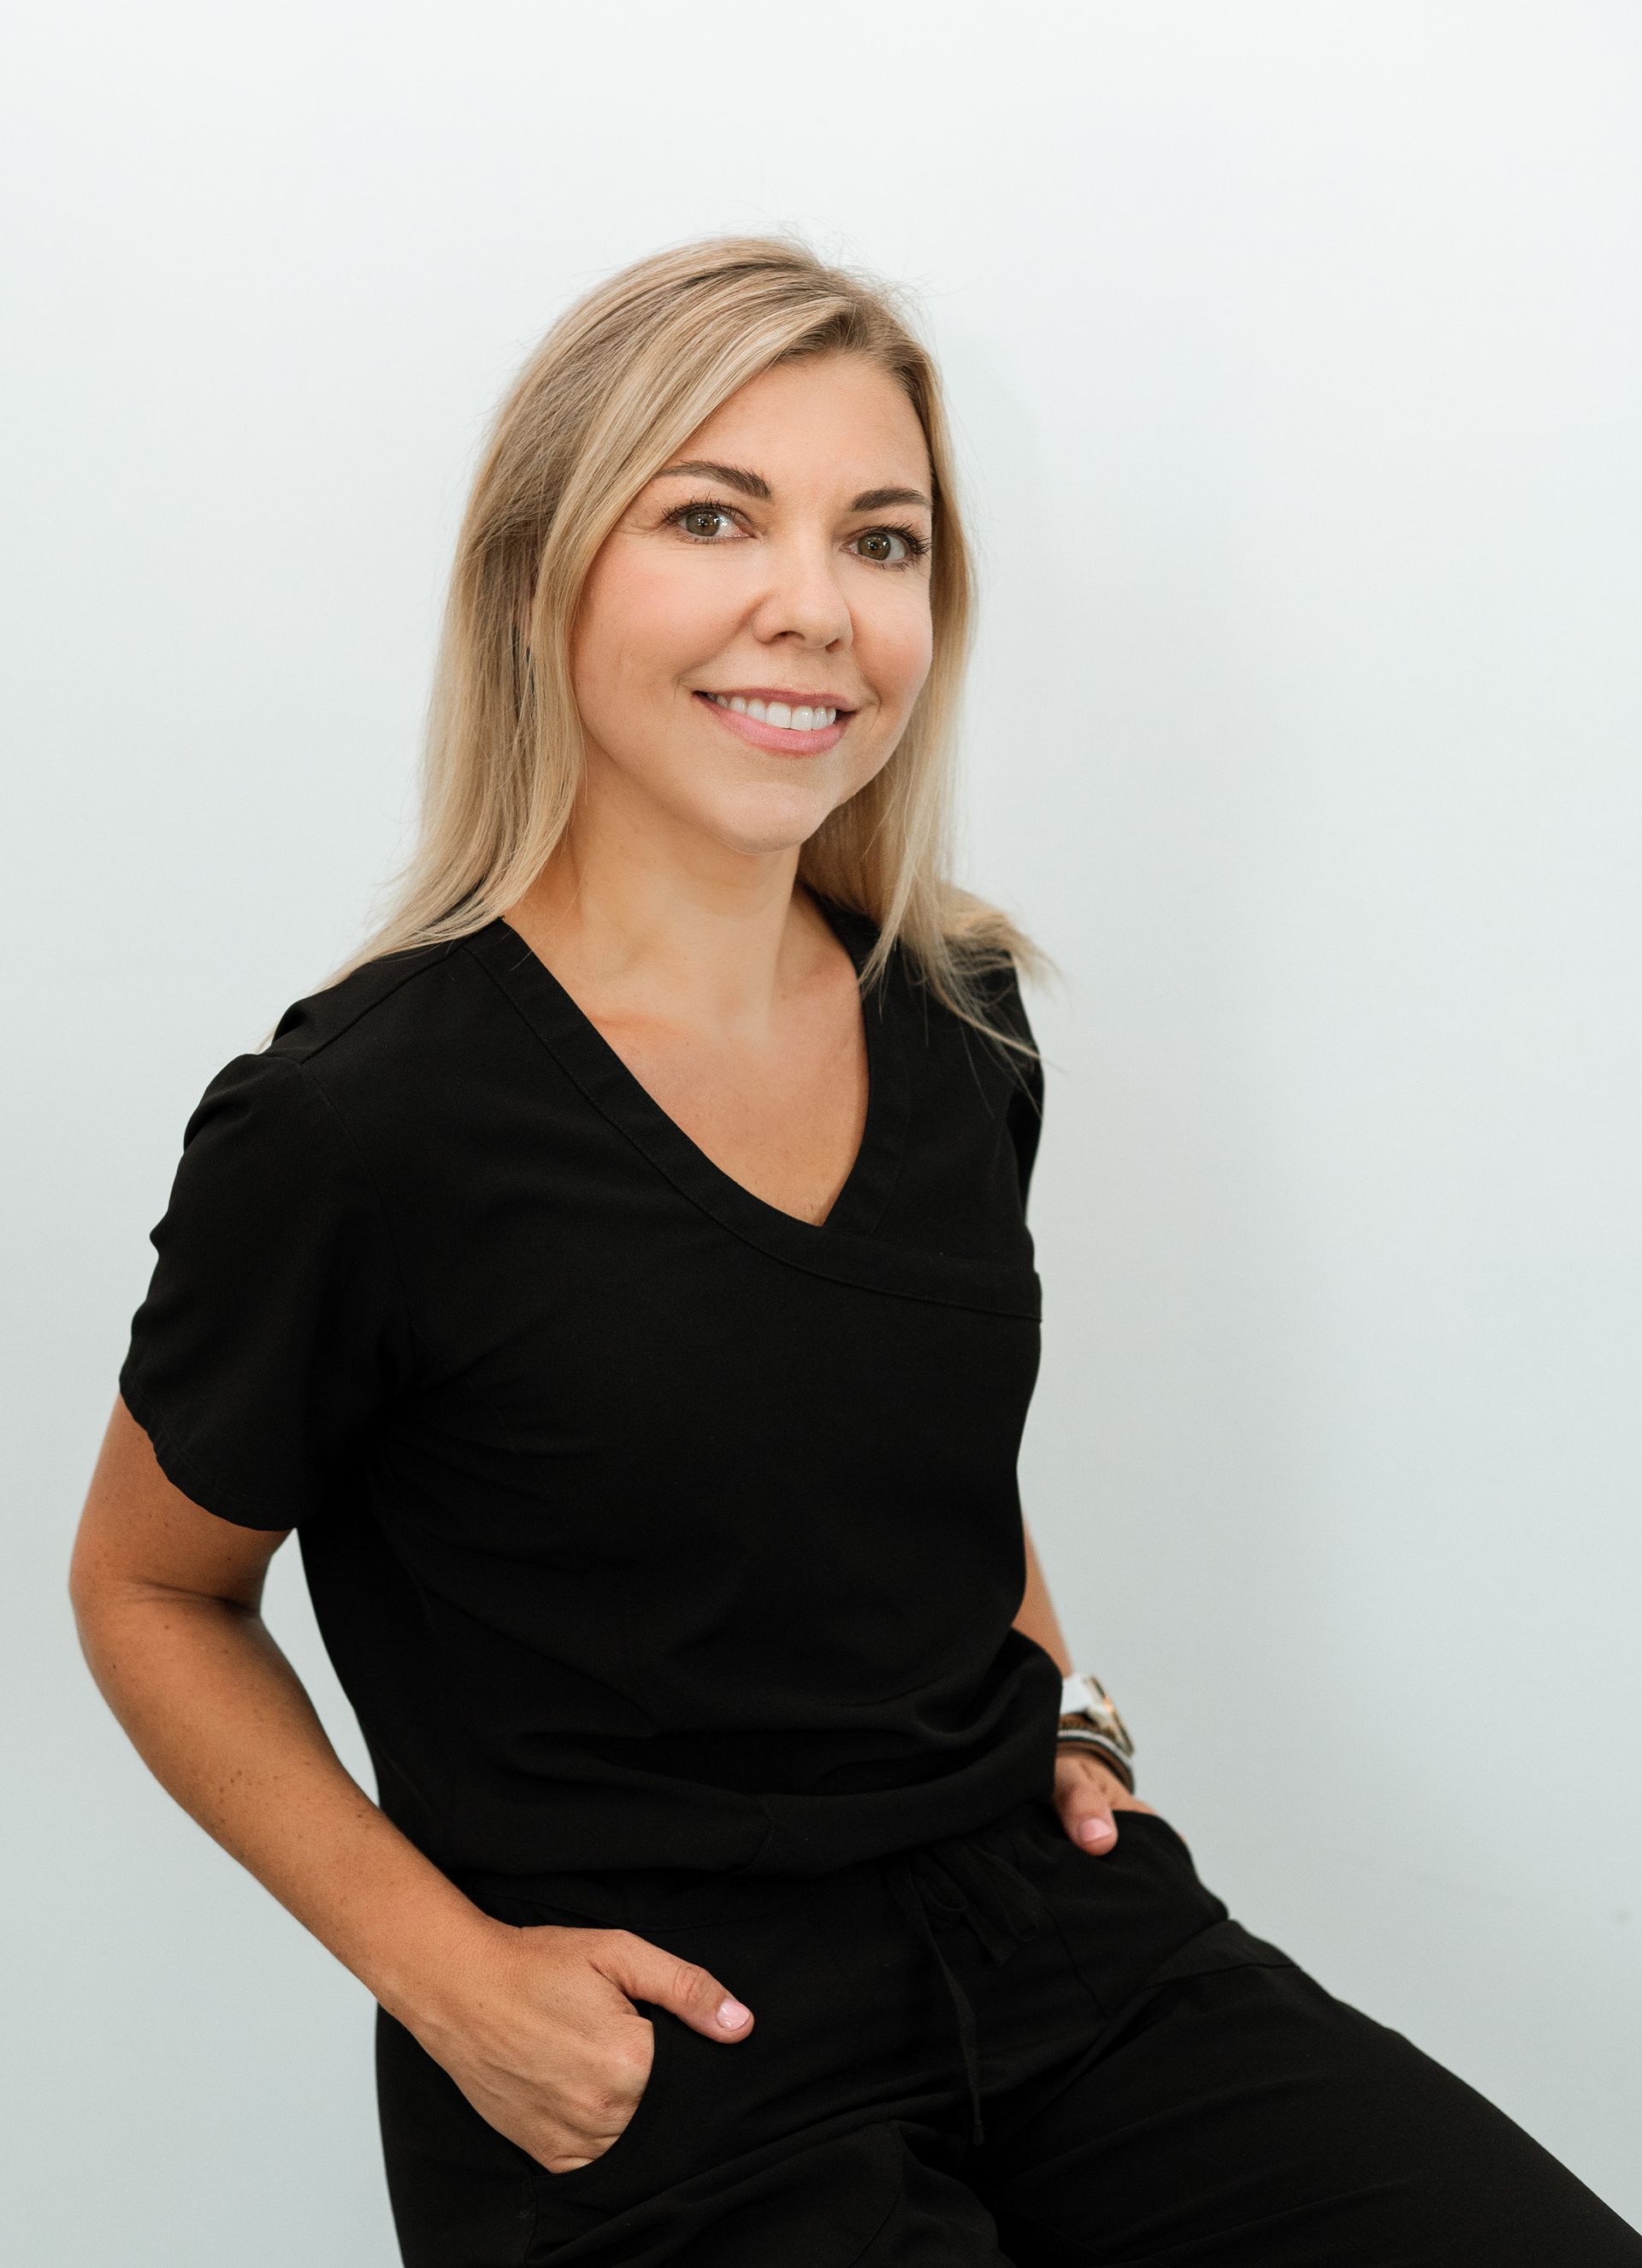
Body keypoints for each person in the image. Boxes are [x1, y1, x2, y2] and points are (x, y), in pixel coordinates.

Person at [69, 234, 1639, 2267]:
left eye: (880, 539)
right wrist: (451, 1982)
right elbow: (149, 1587)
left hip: (1059, 1946)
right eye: (714, 514)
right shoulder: (361, 1124)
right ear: (541, 577)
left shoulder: (955, 1017)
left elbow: (915, 1459)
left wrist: (1074, 1714)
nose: (814, 605)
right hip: (662, 2051)